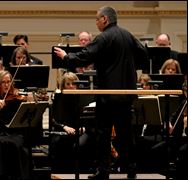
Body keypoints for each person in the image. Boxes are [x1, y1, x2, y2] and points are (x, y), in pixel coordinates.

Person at [54, 6, 148, 179]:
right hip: (126, 94)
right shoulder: (128, 35)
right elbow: (143, 54)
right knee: (126, 133)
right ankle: (131, 169)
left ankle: (103, 171)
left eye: (97, 19)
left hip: (108, 95)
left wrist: (67, 57)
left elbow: (87, 55)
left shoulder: (104, 37)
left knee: (103, 133)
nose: (96, 22)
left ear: (105, 19)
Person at [50, 71, 94, 172]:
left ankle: (83, 171)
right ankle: (62, 172)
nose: (71, 86)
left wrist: (84, 128)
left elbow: (89, 118)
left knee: (83, 144)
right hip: (64, 130)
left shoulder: (83, 97)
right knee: (59, 142)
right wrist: (64, 127)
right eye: (68, 84)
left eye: (73, 84)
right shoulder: (58, 98)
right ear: (63, 86)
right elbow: (53, 119)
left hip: (80, 131)